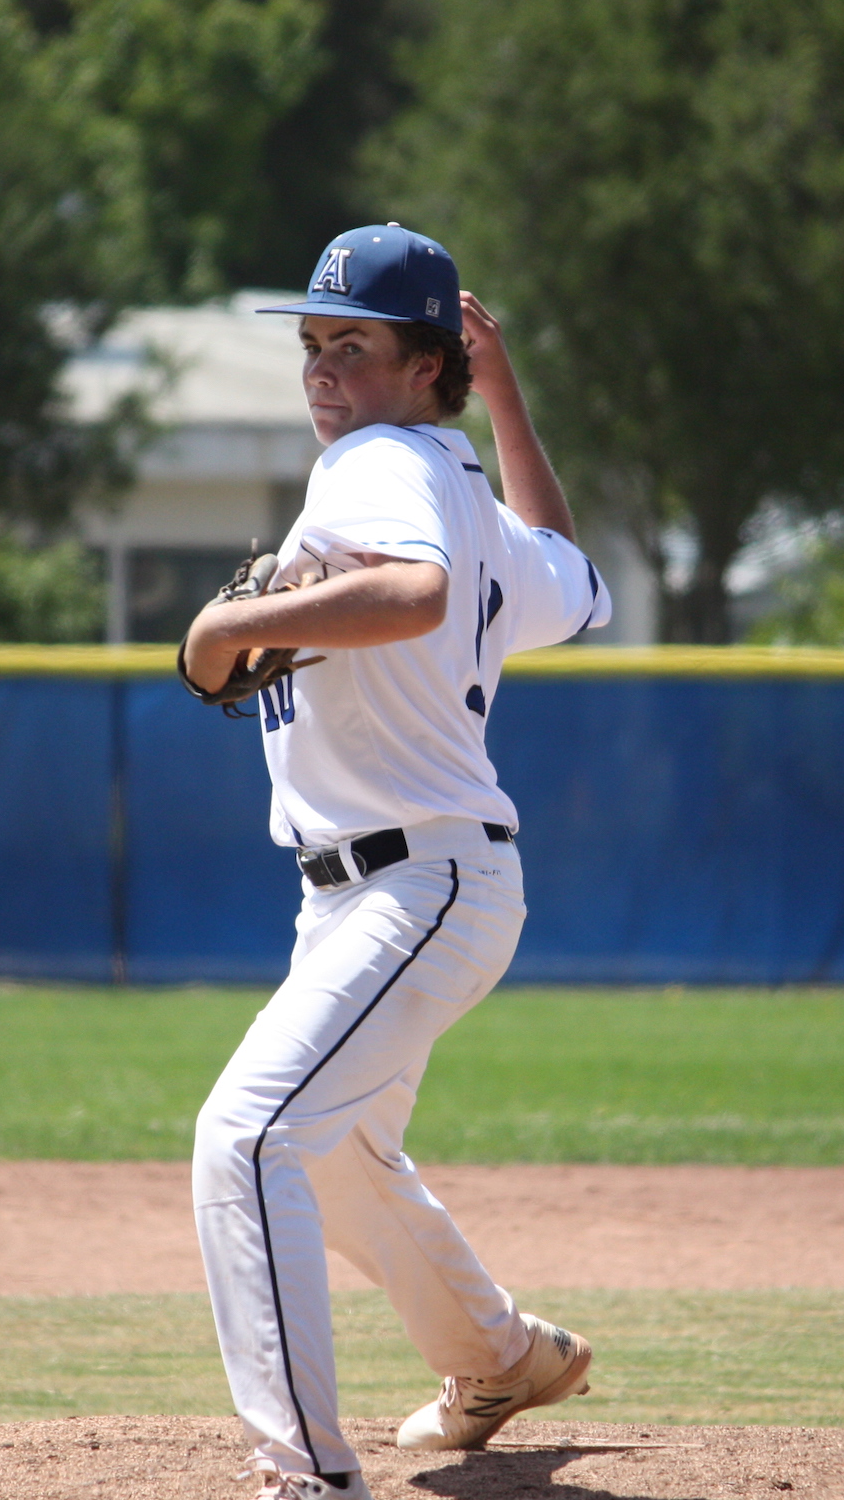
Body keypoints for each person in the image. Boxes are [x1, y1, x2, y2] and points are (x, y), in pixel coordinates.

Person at [180, 224, 612, 1500]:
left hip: (413, 883)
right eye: (313, 345)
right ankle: (501, 1357)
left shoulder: (374, 464)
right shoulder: (461, 490)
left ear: (426, 366)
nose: (323, 370)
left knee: (247, 1138)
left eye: (354, 346)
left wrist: (233, 623)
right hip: (406, 888)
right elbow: (578, 576)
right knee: (335, 1155)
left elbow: (415, 594)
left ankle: (305, 1472)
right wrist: (507, 393)